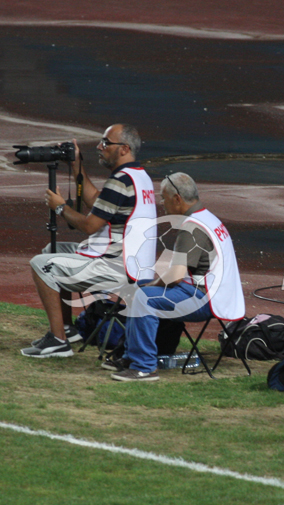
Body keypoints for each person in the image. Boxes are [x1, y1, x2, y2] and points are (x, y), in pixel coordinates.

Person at [23, 124, 157, 358]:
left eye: (106, 143)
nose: (99, 146)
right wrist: (76, 165)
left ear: (124, 149)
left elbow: (89, 225)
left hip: (117, 265)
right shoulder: (138, 176)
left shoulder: (121, 181)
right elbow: (96, 200)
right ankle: (67, 329)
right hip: (131, 263)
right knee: (52, 250)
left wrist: (61, 207)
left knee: (40, 263)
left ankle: (57, 342)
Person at [108, 172, 245, 382]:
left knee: (144, 297)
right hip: (213, 293)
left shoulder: (192, 227)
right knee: (139, 288)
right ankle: (129, 356)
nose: (162, 203)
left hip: (205, 298)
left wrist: (151, 286)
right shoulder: (206, 217)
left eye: (164, 198)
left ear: (177, 199)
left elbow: (176, 276)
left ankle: (143, 367)